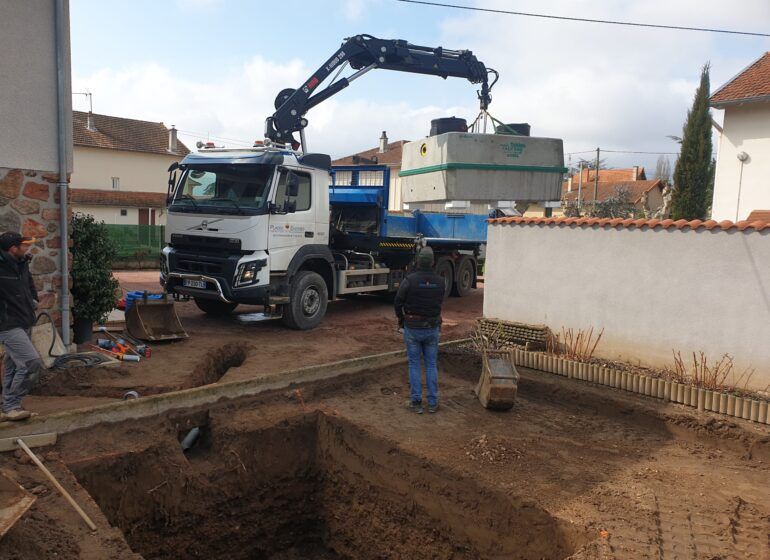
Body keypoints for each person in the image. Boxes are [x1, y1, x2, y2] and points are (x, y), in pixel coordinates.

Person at [394, 246, 445, 414]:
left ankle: (416, 402)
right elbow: (439, 303)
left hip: (412, 329)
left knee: (414, 364)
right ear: (432, 262)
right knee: (431, 364)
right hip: (432, 329)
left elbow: (398, 302)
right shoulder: (440, 281)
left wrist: (401, 320)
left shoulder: (409, 280)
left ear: (417, 260)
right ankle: (432, 403)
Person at [0, 232, 43, 421]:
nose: (27, 248)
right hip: (7, 323)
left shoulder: (22, 263)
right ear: (12, 249)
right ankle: (12, 405)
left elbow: (28, 285)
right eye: (24, 245)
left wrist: (33, 300)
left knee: (12, 365)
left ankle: (7, 406)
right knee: (31, 363)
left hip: (25, 318)